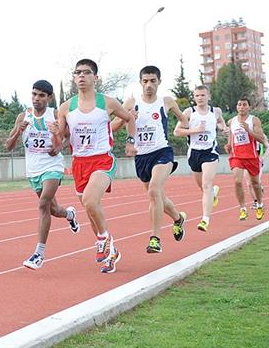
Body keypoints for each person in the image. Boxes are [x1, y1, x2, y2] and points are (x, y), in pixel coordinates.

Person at [52, 59, 136, 274]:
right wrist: (54, 134)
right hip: (79, 163)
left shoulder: (107, 102)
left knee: (90, 200)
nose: (81, 76)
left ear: (95, 78)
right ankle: (112, 251)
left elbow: (129, 118)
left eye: (87, 72)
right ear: (73, 77)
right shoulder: (65, 107)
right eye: (78, 72)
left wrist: (130, 141)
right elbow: (60, 140)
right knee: (90, 211)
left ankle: (103, 238)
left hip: (102, 160)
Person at [112, 65, 188, 254]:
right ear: (140, 82)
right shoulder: (131, 102)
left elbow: (183, 119)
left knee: (154, 189)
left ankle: (155, 239)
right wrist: (126, 118)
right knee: (158, 197)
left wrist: (184, 130)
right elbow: (113, 126)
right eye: (145, 81)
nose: (149, 85)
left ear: (159, 82)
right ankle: (178, 218)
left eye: (153, 81)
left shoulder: (167, 101)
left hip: (162, 152)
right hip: (141, 156)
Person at [5, 79, 80, 270]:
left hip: (52, 166)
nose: (36, 99)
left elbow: (70, 136)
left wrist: (59, 147)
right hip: (33, 170)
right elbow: (8, 146)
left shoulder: (54, 114)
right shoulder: (23, 116)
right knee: (53, 210)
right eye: (34, 94)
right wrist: (17, 133)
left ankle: (39, 253)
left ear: (49, 97)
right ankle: (69, 214)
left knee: (43, 204)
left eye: (41, 95)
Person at [173, 85, 228, 232]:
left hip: (210, 152)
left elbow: (221, 121)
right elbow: (177, 132)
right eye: (197, 95)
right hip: (194, 153)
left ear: (208, 96)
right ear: (194, 97)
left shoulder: (215, 111)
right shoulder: (189, 112)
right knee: (203, 188)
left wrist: (223, 128)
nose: (200, 98)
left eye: (203, 95)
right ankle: (213, 194)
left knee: (206, 185)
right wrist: (195, 130)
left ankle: (205, 220)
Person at [224, 97, 266, 221]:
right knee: (237, 181)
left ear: (249, 107)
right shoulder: (232, 121)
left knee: (255, 184)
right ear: (236, 107)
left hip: (252, 157)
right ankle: (242, 209)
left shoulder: (254, 120)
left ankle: (259, 205)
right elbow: (231, 137)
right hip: (237, 156)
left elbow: (261, 139)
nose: (241, 107)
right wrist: (228, 146)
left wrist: (249, 130)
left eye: (244, 104)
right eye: (239, 104)